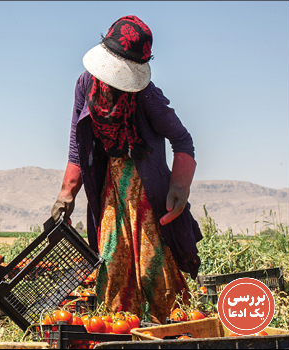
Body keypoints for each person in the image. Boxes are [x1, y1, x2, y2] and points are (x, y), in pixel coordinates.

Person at [51, 15, 202, 324]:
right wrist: (66, 195)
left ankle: (168, 328)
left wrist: (179, 188)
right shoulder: (85, 84)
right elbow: (76, 145)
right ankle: (117, 327)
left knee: (151, 264)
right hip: (109, 186)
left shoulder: (145, 96)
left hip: (146, 187)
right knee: (111, 256)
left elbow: (182, 140)